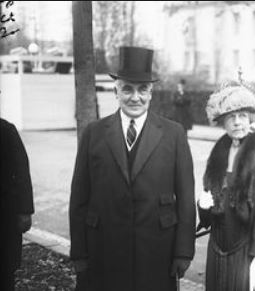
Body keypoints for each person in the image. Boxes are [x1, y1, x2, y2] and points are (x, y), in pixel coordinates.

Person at [69, 46, 196, 291]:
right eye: (127, 88)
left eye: (142, 89)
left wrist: (183, 252)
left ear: (151, 93)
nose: (135, 97)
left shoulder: (174, 134)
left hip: (157, 252)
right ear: (116, 91)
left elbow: (186, 200)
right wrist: (79, 254)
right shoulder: (94, 133)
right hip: (104, 250)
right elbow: (79, 198)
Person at [197, 82, 255, 291]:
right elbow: (212, 213)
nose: (237, 122)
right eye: (231, 117)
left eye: (242, 115)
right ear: (222, 121)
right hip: (219, 250)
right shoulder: (218, 154)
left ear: (251, 117)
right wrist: (203, 207)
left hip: (248, 251)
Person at [0, 118, 34, 291]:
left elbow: (21, 171)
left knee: (4, 273)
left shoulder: (6, 130)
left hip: (4, 218)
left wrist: (25, 211)